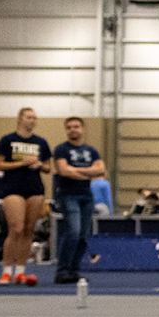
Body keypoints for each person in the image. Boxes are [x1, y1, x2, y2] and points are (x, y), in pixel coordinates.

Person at [0, 108, 52, 286]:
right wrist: (21, 163)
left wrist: (39, 164)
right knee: (15, 228)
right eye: (29, 117)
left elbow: (48, 167)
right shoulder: (7, 140)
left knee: (28, 230)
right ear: (20, 119)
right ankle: (7, 269)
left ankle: (21, 270)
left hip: (34, 188)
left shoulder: (40, 142)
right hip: (12, 187)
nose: (32, 120)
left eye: (34, 118)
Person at [51, 116, 105, 284]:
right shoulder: (61, 149)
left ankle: (74, 270)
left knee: (83, 235)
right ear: (66, 130)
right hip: (68, 195)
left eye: (76, 126)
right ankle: (62, 270)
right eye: (69, 127)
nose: (73, 129)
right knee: (72, 232)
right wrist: (88, 172)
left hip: (86, 196)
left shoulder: (92, 150)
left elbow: (101, 170)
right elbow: (63, 171)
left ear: (82, 129)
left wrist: (75, 170)